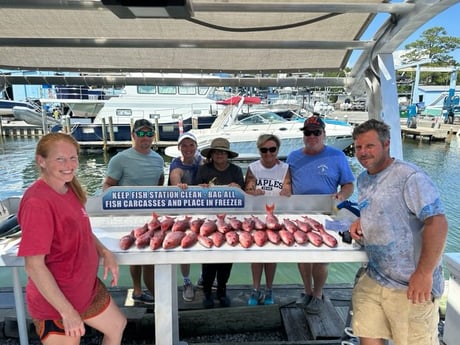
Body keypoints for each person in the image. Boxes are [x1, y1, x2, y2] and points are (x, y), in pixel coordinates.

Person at [17, 132, 126, 345]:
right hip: (57, 304)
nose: (69, 164)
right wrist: (67, 312)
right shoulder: (37, 202)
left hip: (86, 290)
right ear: (41, 161)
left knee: (117, 325)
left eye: (73, 157)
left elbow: (82, 230)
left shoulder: (69, 188)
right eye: (60, 159)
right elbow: (34, 266)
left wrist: (104, 251)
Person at [349, 119, 448, 345]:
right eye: (358, 147)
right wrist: (360, 221)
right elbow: (378, 209)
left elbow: (438, 223)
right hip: (375, 277)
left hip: (411, 286)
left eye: (369, 146)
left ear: (386, 145)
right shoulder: (364, 179)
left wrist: (423, 274)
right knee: (368, 336)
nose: (363, 152)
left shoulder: (410, 178)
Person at [286, 116, 354, 314]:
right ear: (303, 135)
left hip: (326, 213)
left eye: (317, 132)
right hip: (299, 214)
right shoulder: (292, 157)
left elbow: (348, 184)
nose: (312, 136)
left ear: (324, 134)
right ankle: (307, 291)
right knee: (303, 254)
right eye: (308, 132)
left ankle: (318, 294)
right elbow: (287, 182)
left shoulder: (337, 156)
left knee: (322, 257)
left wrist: (341, 195)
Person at [103, 119, 165, 305]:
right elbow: (108, 185)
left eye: (149, 133)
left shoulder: (159, 159)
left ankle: (155, 292)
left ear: (153, 136)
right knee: (134, 254)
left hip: (151, 214)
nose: (145, 137)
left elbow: (160, 182)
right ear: (133, 135)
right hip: (127, 215)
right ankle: (138, 290)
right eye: (141, 133)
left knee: (151, 253)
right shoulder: (119, 159)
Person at [195, 137, 245, 308]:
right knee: (208, 256)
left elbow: (243, 194)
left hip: (230, 218)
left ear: (228, 154)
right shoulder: (203, 169)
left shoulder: (236, 171)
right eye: (216, 152)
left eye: (223, 152)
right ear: (212, 154)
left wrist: (238, 188)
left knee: (226, 256)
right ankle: (207, 290)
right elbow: (195, 192)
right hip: (208, 216)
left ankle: (222, 289)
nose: (219, 155)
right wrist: (201, 188)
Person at [244, 134, 292, 306]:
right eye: (264, 150)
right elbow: (248, 189)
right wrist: (252, 192)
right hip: (257, 215)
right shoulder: (253, 167)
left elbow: (287, 187)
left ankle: (269, 289)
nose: (268, 153)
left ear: (277, 150)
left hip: (277, 216)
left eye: (272, 149)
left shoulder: (285, 167)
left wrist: (286, 191)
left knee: (271, 255)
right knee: (256, 255)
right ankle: (255, 289)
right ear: (259, 151)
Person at [168, 131, 204, 302]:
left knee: (206, 241)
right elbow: (175, 176)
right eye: (184, 145)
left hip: (202, 208)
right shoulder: (176, 163)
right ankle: (186, 281)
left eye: (191, 145)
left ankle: (204, 277)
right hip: (182, 211)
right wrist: (178, 184)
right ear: (179, 148)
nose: (188, 148)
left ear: (196, 147)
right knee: (185, 246)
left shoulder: (201, 161)